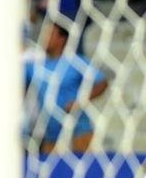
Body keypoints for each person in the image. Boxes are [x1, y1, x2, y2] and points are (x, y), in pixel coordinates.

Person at [24, 22, 106, 155]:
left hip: (79, 130)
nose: (44, 38)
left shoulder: (76, 62)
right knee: (51, 173)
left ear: (62, 39)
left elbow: (102, 82)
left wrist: (80, 101)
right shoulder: (35, 67)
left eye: (50, 34)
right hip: (51, 133)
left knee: (87, 171)